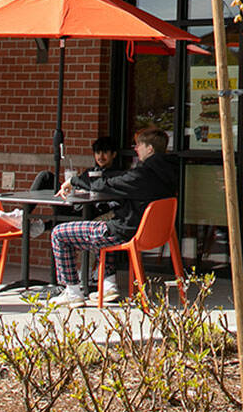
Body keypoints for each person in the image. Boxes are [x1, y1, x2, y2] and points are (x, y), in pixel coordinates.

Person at [49, 126, 177, 306]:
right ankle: (109, 285)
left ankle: (72, 290)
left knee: (59, 234)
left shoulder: (142, 175)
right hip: (153, 234)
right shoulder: (169, 174)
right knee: (109, 223)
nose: (135, 149)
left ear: (149, 149)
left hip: (126, 233)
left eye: (139, 145)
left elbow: (107, 184)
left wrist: (74, 180)